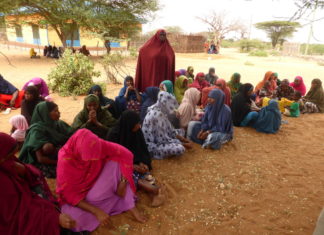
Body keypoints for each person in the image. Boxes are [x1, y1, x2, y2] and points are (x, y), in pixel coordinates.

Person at [57, 129, 146, 232]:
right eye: (88, 159)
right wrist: (96, 211)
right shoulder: (65, 161)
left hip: (96, 189)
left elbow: (126, 155)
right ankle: (114, 203)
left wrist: (123, 181)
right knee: (73, 220)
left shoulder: (97, 144)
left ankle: (129, 204)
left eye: (94, 158)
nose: (92, 162)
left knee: (116, 161)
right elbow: (69, 195)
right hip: (80, 200)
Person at [0, 133, 76, 235]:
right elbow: (15, 214)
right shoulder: (4, 182)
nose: (13, 158)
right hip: (15, 214)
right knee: (47, 214)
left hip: (23, 196)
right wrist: (54, 218)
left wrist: (24, 170)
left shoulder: (6, 161)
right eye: (9, 156)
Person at [107, 110, 165, 207]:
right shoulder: (113, 135)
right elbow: (111, 159)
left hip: (135, 164)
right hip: (119, 166)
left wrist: (143, 163)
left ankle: (153, 194)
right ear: (129, 124)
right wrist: (131, 166)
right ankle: (153, 190)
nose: (139, 126)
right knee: (128, 177)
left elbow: (142, 150)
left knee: (144, 173)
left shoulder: (137, 131)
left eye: (139, 123)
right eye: (136, 123)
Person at [19, 101, 72, 178]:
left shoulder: (58, 124)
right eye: (55, 111)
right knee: (48, 147)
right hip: (47, 161)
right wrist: (60, 162)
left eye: (58, 110)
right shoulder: (36, 130)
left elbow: (73, 135)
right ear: (46, 113)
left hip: (62, 155)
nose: (59, 113)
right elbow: (40, 159)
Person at [142, 91, 191, 159]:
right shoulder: (157, 115)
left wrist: (183, 139)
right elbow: (162, 140)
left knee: (181, 132)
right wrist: (183, 144)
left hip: (160, 139)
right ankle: (162, 154)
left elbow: (170, 130)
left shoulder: (159, 110)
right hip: (153, 146)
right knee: (179, 148)